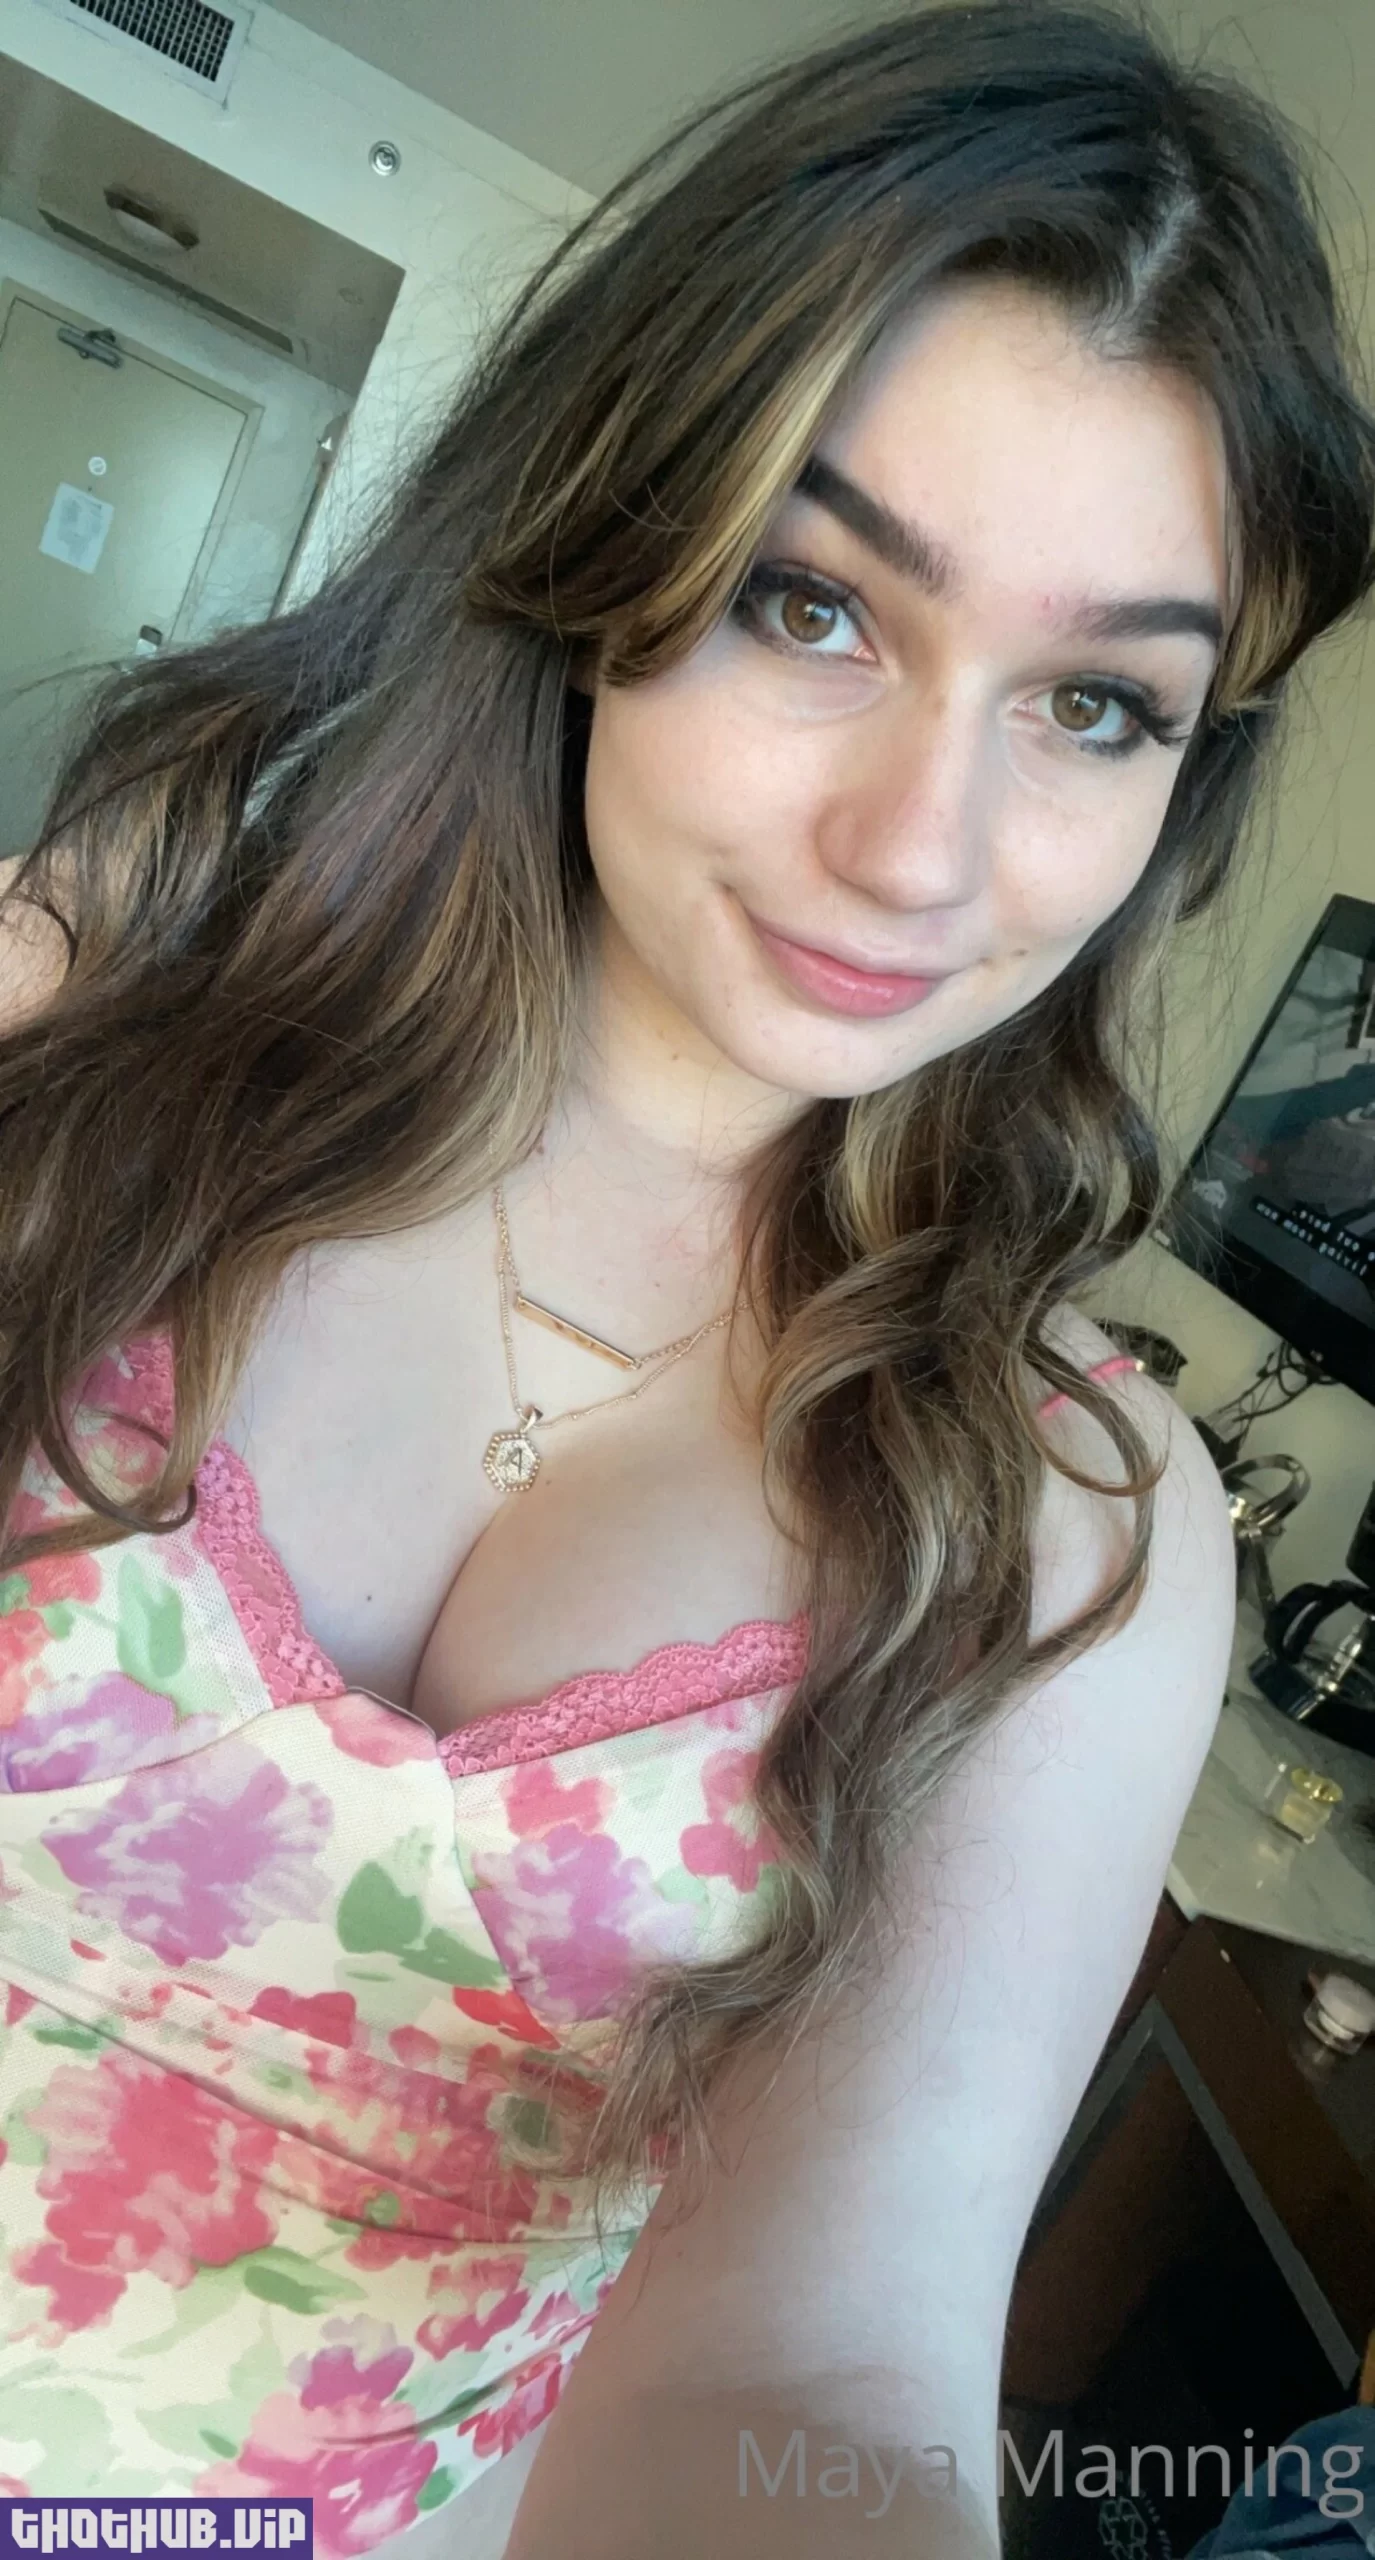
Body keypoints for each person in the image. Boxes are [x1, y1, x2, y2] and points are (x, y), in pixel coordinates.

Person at [0, 3, 1372, 2552]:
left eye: (1096, 702)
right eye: (810, 601)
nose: (921, 849)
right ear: (604, 532)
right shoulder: (84, 1018)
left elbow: (819, 2357)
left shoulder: (1069, 1523)